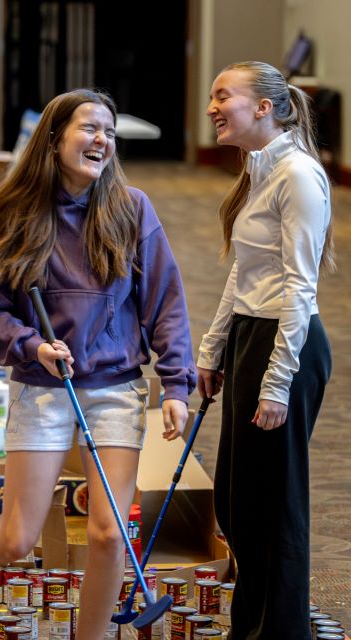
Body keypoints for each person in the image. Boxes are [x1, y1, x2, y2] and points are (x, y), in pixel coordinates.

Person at [0, 89, 196, 640]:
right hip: (43, 386)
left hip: (116, 387)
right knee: (17, 539)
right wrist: (31, 345)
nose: (102, 140)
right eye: (90, 128)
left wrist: (177, 385)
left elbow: (168, 303)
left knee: (110, 535)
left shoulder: (132, 209)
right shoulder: (16, 212)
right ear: (53, 136)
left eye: (110, 133)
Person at [197, 61, 333, 640]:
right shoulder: (258, 169)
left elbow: (300, 285)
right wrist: (213, 349)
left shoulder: (298, 174)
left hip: (288, 345)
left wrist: (277, 383)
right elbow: (245, 273)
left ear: (263, 107)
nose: (212, 107)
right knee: (237, 501)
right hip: (253, 338)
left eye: (223, 95)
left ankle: (281, 631)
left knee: (274, 506)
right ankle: (250, 626)